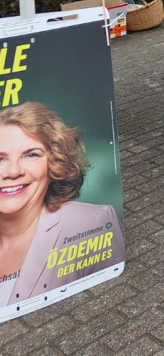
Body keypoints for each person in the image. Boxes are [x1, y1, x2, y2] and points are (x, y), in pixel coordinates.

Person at [0, 102, 125, 306]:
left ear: (54, 164)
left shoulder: (91, 222)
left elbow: (114, 301)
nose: (13, 171)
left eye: (31, 154)